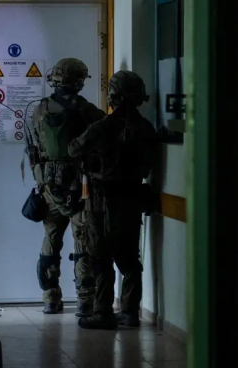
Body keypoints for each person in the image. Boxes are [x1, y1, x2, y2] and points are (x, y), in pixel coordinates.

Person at [67, 71, 160, 330]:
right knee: (130, 260)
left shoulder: (102, 127)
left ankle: (103, 313)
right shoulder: (146, 128)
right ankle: (129, 312)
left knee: (101, 259)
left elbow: (73, 149)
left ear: (114, 95)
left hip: (101, 201)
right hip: (131, 200)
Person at [28, 58, 106, 315]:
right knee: (82, 241)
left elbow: (35, 147)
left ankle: (50, 297)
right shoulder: (87, 110)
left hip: (49, 186)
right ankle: (85, 300)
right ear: (79, 81)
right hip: (80, 188)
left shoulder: (39, 109)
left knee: (51, 240)